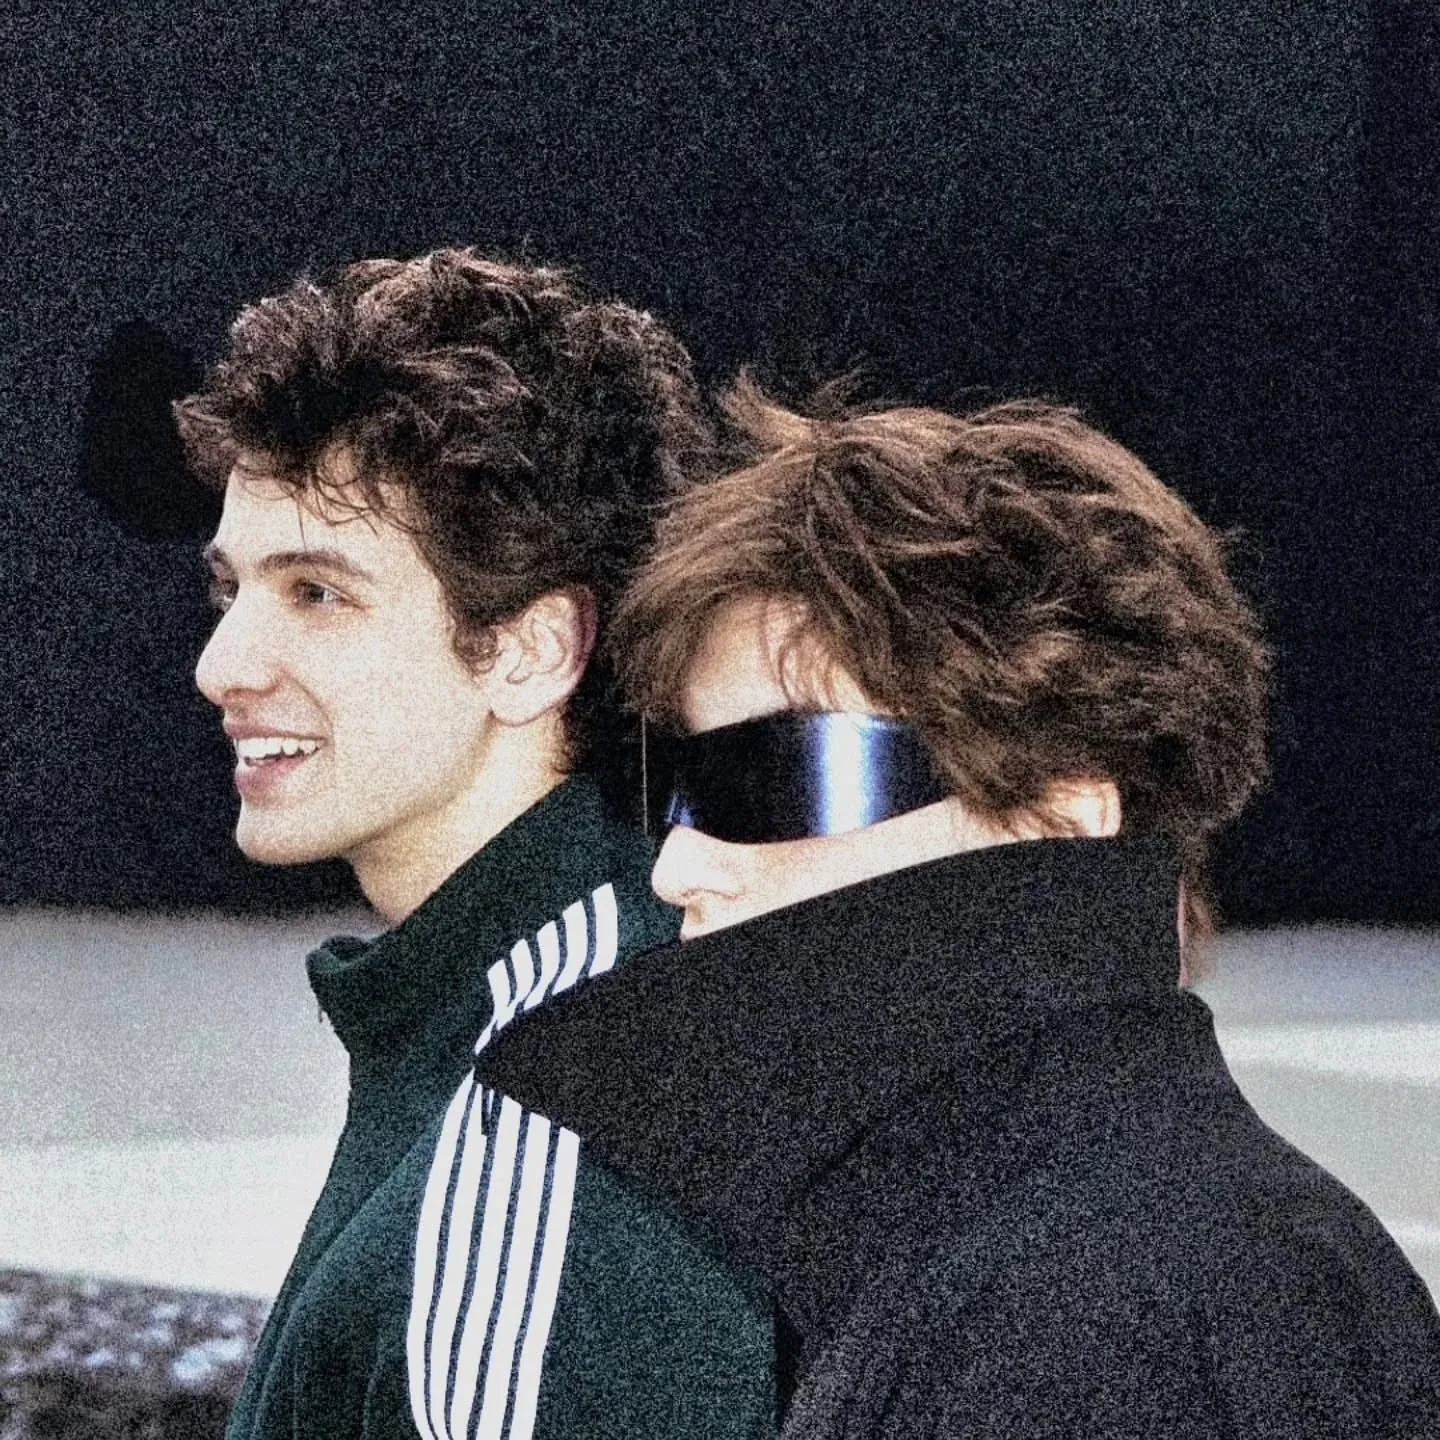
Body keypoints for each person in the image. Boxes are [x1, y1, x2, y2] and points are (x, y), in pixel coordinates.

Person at [476, 382, 1440, 1437]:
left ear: (1061, 820)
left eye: (778, 775)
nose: (680, 864)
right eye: (678, 788)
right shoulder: (1031, 1255)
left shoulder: (1086, 1307)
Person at [175, 252, 775, 1440]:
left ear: (530, 650)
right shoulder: (517, 1013)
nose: (220, 666)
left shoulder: (557, 1113)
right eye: (231, 589)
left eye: (317, 593)